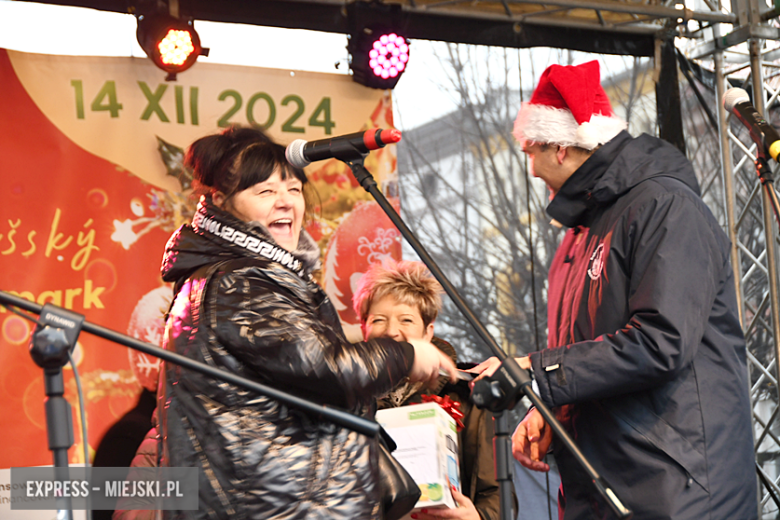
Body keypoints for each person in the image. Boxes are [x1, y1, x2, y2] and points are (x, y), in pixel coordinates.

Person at [474, 61, 757, 519]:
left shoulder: (663, 206)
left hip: (678, 494)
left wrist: (537, 372)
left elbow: (661, 342)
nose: (530, 169)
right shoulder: (579, 235)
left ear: (561, 147)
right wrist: (556, 411)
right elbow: (588, 358)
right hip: (607, 484)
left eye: (530, 151)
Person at [158, 126, 457, 520]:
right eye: (265, 192)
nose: (285, 203)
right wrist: (405, 354)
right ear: (221, 202)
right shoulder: (242, 281)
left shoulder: (232, 276)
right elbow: (326, 366)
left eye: (294, 190)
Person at [353, 259, 506, 520]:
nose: (391, 331)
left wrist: (478, 518)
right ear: (364, 329)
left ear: (427, 333)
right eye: (379, 319)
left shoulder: (465, 396)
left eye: (406, 320)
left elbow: (496, 494)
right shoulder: (341, 396)